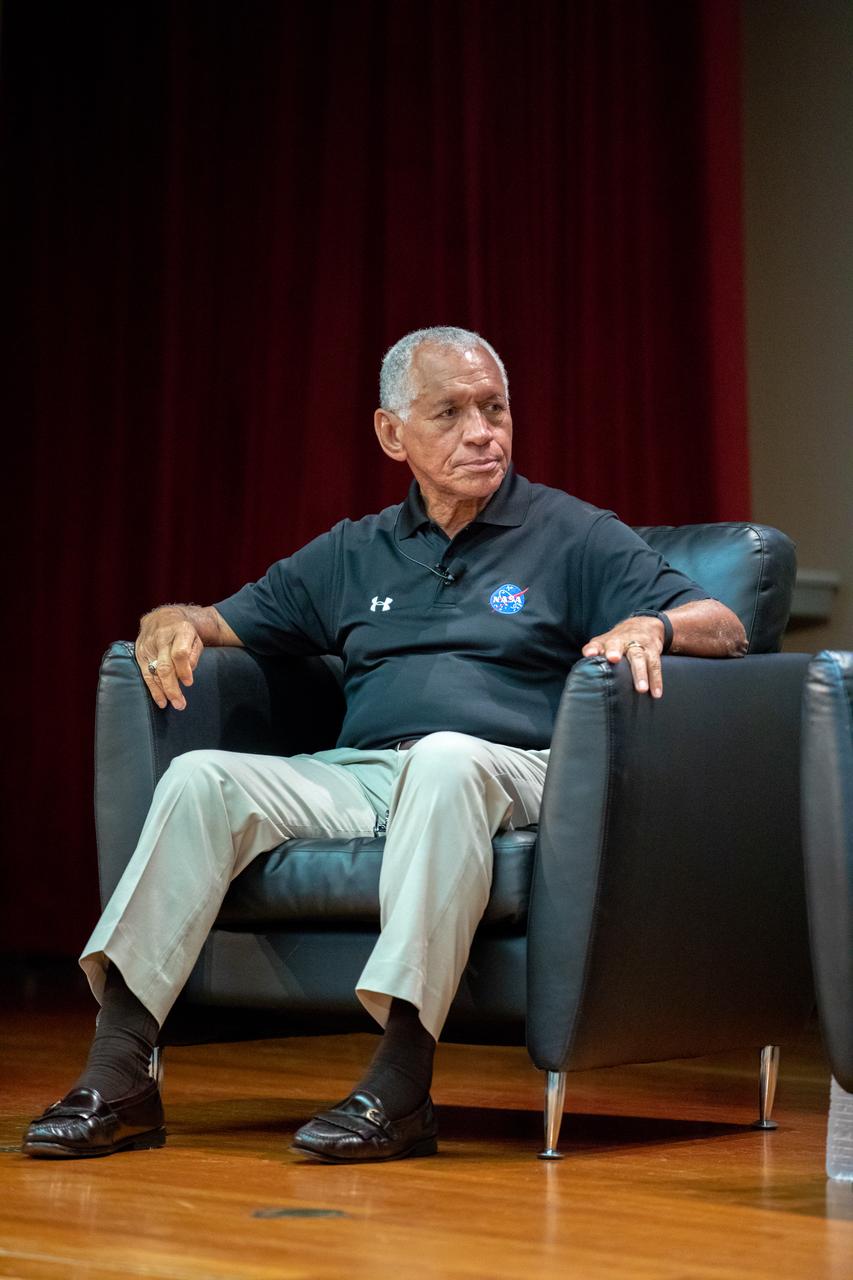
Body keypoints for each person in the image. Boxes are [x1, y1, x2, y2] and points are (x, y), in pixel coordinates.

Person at [23, 325, 747, 1163]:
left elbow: (723, 624)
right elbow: (217, 620)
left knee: (444, 758)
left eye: (495, 407)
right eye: (450, 412)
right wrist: (170, 623)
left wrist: (652, 625)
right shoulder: (354, 550)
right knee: (199, 777)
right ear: (390, 432)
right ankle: (121, 1073)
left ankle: (402, 1082)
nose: (484, 431)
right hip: (368, 772)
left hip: (514, 769)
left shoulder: (573, 534)